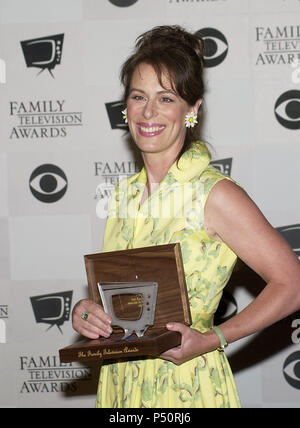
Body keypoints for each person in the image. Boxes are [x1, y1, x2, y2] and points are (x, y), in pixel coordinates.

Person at [72, 25, 300, 408]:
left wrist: (214, 338)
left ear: (192, 110)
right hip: (121, 388)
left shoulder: (214, 193)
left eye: (166, 98)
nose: (148, 112)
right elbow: (123, 303)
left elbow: (292, 284)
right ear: (125, 107)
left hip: (186, 387)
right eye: (138, 96)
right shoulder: (124, 195)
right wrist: (87, 312)